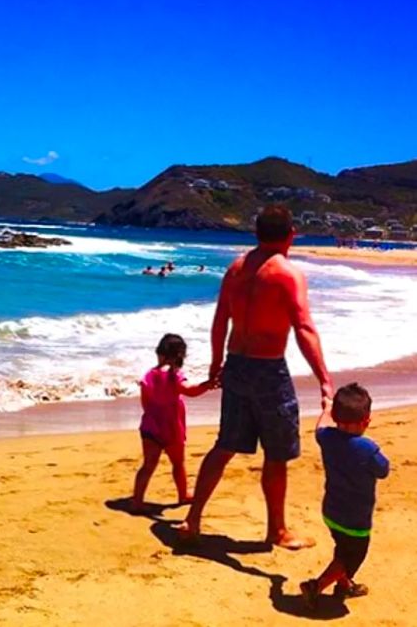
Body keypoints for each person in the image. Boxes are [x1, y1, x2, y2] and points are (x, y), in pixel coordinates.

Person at [179, 204, 334, 549]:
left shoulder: (236, 269)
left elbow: (221, 320)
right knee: (277, 453)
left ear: (257, 234)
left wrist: (216, 362)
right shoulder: (287, 274)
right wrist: (324, 380)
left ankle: (192, 520)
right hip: (268, 371)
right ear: (291, 234)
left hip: (236, 364)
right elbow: (304, 327)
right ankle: (276, 530)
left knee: (225, 445)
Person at [300, 383, 389, 609]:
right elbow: (383, 470)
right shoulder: (367, 449)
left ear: (335, 417)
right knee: (351, 557)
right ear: (366, 421)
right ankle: (316, 586)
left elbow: (319, 428)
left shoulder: (327, 438)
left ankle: (344, 586)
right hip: (355, 520)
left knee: (342, 549)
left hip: (331, 512)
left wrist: (326, 409)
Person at [131, 333, 215, 513]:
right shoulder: (175, 376)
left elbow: (145, 403)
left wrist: (154, 415)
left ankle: (137, 500)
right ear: (180, 356)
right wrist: (206, 385)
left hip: (150, 426)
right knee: (178, 463)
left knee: (148, 465)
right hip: (171, 428)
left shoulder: (149, 375)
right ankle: (183, 494)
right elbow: (189, 391)